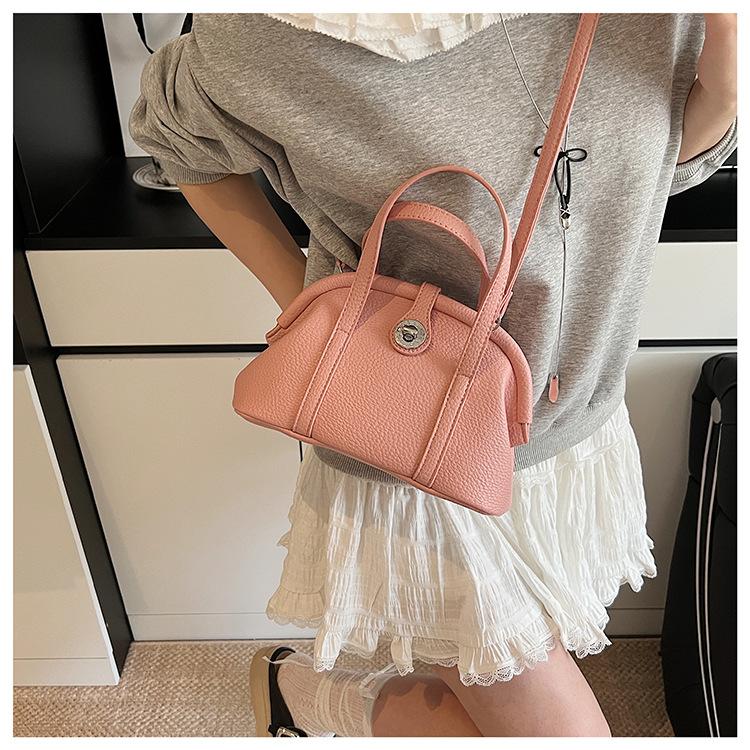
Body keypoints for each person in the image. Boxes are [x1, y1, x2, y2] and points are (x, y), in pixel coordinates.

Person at [129, 12, 736, 737]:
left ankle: (303, 694)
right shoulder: (271, 30)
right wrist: (304, 304)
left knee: (488, 691)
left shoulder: (659, 16)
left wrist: (726, 82)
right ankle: (302, 693)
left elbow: (651, 168)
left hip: (575, 422)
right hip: (408, 444)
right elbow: (176, 138)